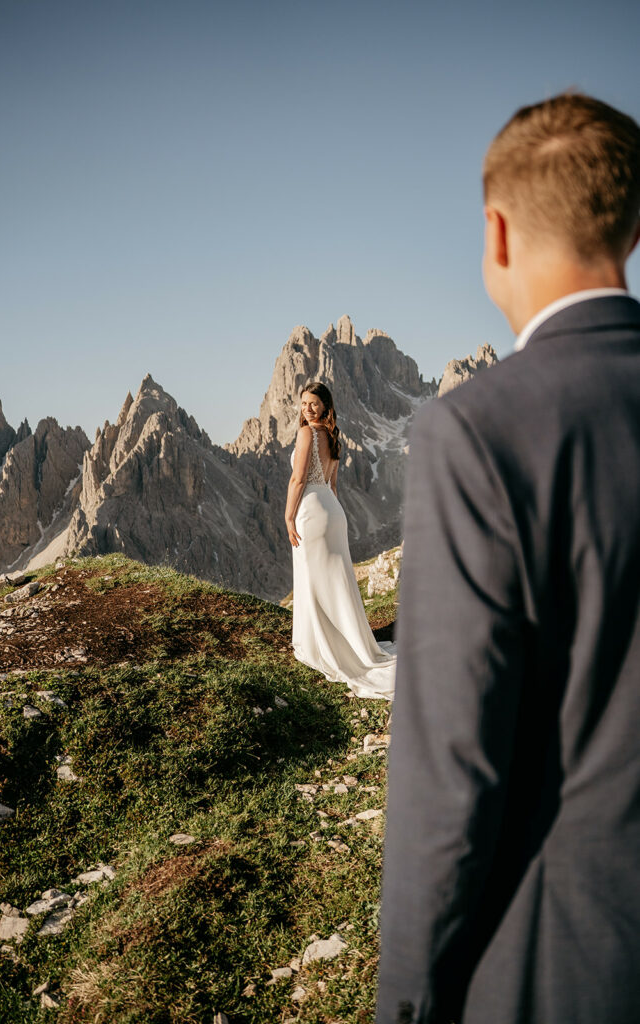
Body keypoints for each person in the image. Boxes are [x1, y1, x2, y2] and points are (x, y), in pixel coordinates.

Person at [377, 92, 640, 1024]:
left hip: (565, 965)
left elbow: (449, 774)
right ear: (629, 226)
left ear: (495, 231)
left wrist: (404, 1003)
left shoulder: (477, 432)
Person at [285, 381, 396, 700]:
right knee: (335, 580)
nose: (307, 408)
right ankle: (351, 644)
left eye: (313, 404)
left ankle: (323, 645)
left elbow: (299, 478)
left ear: (325, 407)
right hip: (333, 511)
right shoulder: (333, 436)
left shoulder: (307, 433)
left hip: (311, 509)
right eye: (303, 403)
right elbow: (333, 485)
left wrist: (288, 516)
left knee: (315, 579)